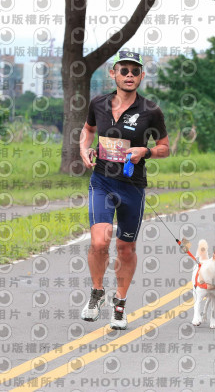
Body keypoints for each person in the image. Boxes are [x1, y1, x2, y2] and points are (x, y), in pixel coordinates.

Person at [79, 50, 169, 330]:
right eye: (124, 70)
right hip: (102, 181)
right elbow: (87, 129)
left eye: (135, 71)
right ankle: (96, 294)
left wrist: (146, 151)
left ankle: (119, 304)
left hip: (133, 187)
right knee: (99, 241)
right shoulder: (99, 103)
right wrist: (84, 149)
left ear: (141, 76)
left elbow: (166, 148)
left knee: (125, 248)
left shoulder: (150, 110)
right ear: (113, 73)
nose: (129, 75)